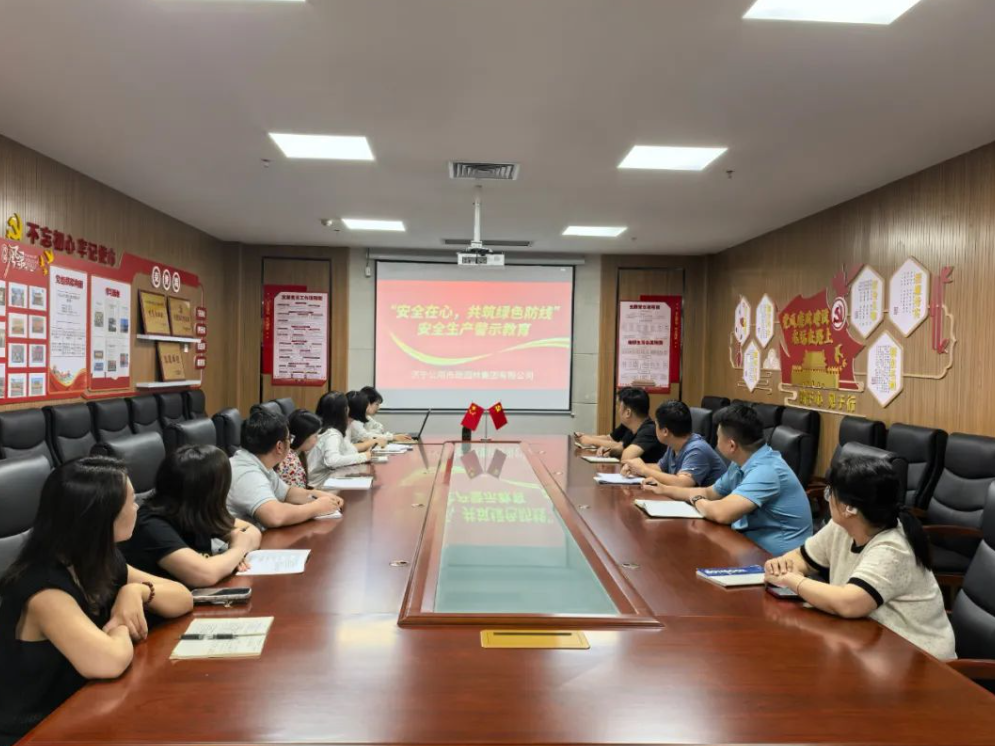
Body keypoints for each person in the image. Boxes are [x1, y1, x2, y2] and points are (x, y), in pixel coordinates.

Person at [0, 457, 192, 745]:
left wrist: (136, 593)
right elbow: (107, 661)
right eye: (130, 501)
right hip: (36, 730)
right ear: (101, 518)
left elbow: (183, 597)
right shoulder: (44, 589)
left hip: (87, 708)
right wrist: (122, 622)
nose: (137, 507)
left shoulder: (97, 559)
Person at [765, 455, 956, 660]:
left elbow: (848, 603)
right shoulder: (842, 526)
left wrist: (791, 580)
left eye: (830, 493)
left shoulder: (893, 548)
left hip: (920, 660)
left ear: (850, 508)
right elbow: (802, 557)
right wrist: (783, 565)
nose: (828, 498)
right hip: (871, 646)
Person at [642, 403, 812, 555]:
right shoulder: (741, 462)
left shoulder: (766, 470)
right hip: (748, 545)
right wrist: (664, 489)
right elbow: (709, 492)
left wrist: (696, 500)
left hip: (778, 560)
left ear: (731, 445)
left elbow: (721, 513)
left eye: (718, 437)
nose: (716, 443)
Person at [120, 445, 262, 587]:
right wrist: (237, 550)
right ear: (209, 493)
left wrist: (233, 551)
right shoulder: (151, 525)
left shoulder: (197, 511)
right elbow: (205, 575)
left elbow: (252, 531)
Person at [227, 408, 343, 530]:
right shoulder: (247, 473)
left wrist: (316, 495)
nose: (290, 442)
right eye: (289, 439)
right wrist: (316, 508)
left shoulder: (257, 462)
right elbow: (274, 516)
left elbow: (287, 493)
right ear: (279, 446)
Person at [622, 401, 726, 488]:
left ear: (665, 432)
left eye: (656, 424)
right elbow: (660, 468)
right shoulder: (674, 444)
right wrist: (635, 468)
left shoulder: (697, 449)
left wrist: (644, 470)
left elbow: (682, 484)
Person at [309, 391, 373, 487]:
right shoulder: (332, 434)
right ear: (344, 411)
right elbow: (332, 461)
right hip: (320, 484)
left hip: (324, 480)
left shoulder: (322, 428)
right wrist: (363, 456)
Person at [595, 387, 666, 463]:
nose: (618, 411)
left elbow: (626, 458)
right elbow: (620, 447)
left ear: (628, 413)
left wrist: (613, 452)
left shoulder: (649, 430)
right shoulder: (632, 429)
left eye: (619, 406)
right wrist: (609, 450)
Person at [276, 409, 323, 489]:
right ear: (303, 437)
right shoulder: (291, 463)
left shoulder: (296, 453)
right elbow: (298, 494)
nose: (317, 438)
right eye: (315, 435)